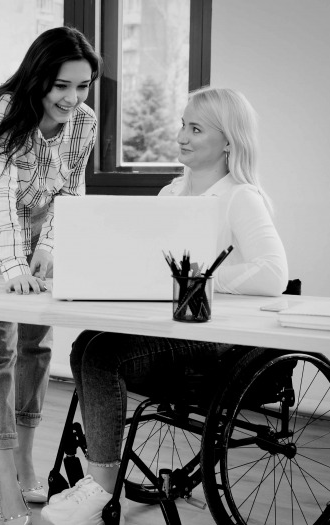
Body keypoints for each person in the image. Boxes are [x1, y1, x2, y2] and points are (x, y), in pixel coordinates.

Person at [41, 87, 289, 525]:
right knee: (86, 344)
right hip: (169, 332)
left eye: (195, 128)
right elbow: (146, 269)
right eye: (182, 125)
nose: (182, 136)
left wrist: (198, 284)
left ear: (228, 141)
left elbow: (273, 273)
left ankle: (100, 485)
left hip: (212, 344)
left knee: (99, 355)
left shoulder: (240, 197)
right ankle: (100, 477)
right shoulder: (172, 194)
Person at [0, 26, 101, 524]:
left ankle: (25, 460)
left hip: (39, 229)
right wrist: (15, 267)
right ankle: (1, 478)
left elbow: (72, 190)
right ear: (39, 78)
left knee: (37, 344)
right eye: (62, 86)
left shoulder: (84, 121)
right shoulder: (5, 110)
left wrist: (52, 248)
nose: (72, 98)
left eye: (82, 86)